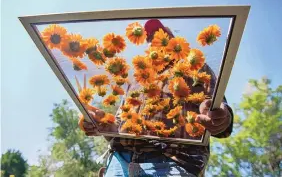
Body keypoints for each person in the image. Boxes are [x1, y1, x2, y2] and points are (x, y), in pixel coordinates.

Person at [80, 19, 233, 177]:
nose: (153, 39)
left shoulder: (196, 66)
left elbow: (218, 110)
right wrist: (102, 123)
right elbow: (120, 125)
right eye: (149, 37)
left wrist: (219, 116)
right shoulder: (134, 79)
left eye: (160, 35)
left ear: (173, 41)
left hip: (174, 162)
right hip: (119, 163)